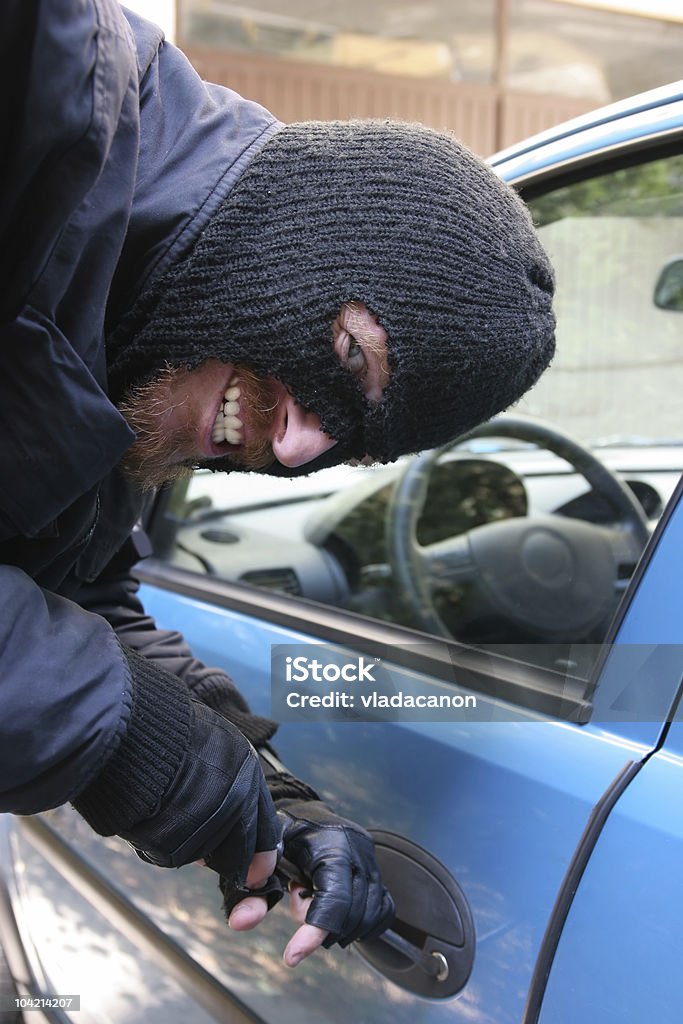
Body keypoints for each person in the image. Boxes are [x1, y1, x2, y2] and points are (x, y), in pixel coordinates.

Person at [1, 0, 556, 969]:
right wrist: (127, 734)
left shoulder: (156, 351)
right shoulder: (34, 72)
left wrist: (256, 794)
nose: (298, 450)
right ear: (293, 230)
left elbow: (72, 592)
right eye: (344, 354)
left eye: (352, 441)